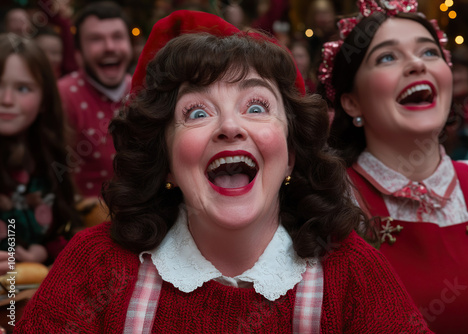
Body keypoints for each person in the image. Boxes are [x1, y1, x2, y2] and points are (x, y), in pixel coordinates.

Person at [15, 10, 432, 333]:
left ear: (290, 155)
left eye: (256, 107)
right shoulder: (95, 265)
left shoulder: (352, 274)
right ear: (166, 163)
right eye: (197, 112)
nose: (231, 127)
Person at [319, 1, 468, 333]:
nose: (417, 64)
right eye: (387, 57)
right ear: (351, 101)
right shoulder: (331, 201)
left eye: (430, 53)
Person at [0, 34, 81, 273]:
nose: (6, 100)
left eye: (23, 88)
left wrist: (43, 251)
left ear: (44, 99)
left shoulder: (51, 158)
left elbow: (67, 227)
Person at [57, 1, 132, 199]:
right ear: (79, 55)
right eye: (96, 39)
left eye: (117, 37)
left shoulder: (146, 92)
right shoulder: (62, 96)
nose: (109, 47)